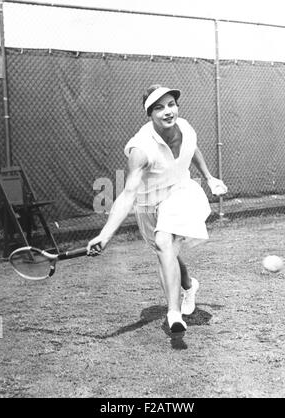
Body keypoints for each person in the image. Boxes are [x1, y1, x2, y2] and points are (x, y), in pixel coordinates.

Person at [87, 84, 227, 334]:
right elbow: (128, 193)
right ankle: (189, 286)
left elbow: (191, 148)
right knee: (166, 253)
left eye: (171, 104)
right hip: (147, 202)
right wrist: (105, 234)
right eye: (159, 108)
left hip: (179, 191)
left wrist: (208, 177)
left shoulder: (184, 127)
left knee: (165, 243)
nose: (167, 111)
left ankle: (173, 314)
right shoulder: (141, 149)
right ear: (149, 114)